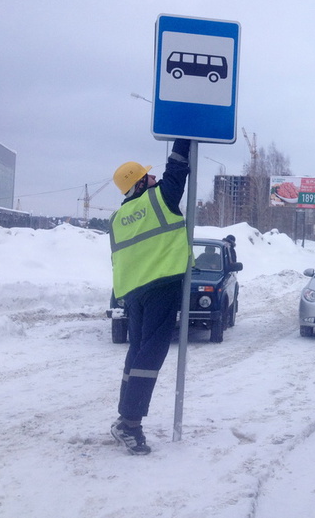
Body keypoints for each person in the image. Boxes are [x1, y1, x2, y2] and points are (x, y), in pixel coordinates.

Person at [108, 138, 191, 455]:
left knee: (137, 355)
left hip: (133, 293)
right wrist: (183, 138)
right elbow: (176, 172)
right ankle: (130, 424)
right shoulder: (159, 200)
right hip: (160, 287)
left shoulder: (118, 219)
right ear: (140, 184)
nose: (154, 179)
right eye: (148, 176)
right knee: (150, 357)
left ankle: (124, 418)